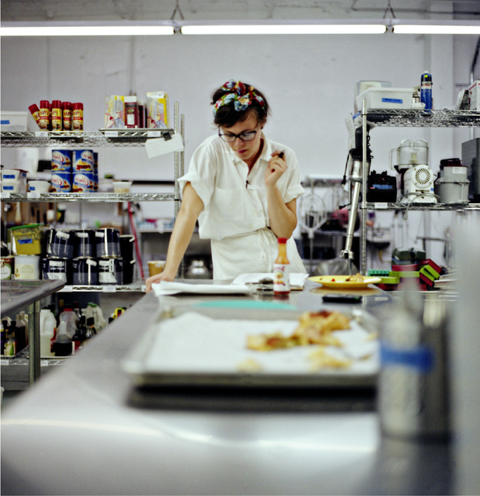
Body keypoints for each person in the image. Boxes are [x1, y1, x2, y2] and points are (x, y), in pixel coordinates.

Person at [146, 79, 306, 292]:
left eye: (247, 134)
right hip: (235, 276)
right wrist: (169, 271)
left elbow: (284, 232)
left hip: (286, 271)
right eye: (229, 135)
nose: (238, 144)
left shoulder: (285, 157)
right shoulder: (211, 153)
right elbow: (187, 212)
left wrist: (271, 186)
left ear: (262, 123)